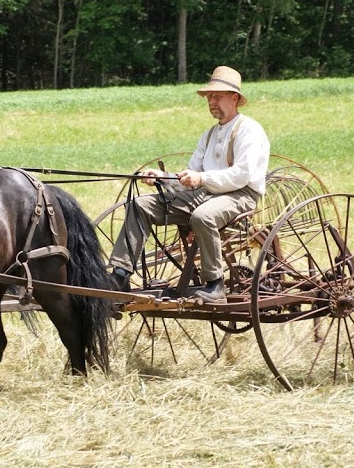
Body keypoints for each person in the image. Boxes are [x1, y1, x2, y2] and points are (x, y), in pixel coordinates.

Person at [108, 66, 270, 303]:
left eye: (217, 96)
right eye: (209, 97)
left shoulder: (250, 130)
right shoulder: (209, 134)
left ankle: (215, 285)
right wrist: (164, 178)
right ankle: (120, 275)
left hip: (240, 195)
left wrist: (202, 179)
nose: (211, 102)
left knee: (203, 216)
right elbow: (191, 176)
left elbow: (241, 175)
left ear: (234, 98)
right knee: (139, 205)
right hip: (205, 193)